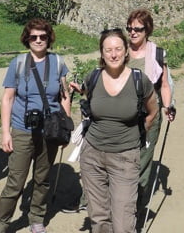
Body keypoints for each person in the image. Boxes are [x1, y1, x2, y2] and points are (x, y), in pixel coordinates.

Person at [71, 28, 159, 233]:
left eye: (118, 49)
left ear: (126, 51)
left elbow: (152, 112)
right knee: (99, 217)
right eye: (108, 49)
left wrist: (135, 136)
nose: (113, 54)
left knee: (123, 222)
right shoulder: (92, 77)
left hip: (125, 157)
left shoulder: (139, 81)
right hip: (92, 156)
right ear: (101, 53)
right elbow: (88, 97)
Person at [0, 18, 72, 233]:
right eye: (33, 37)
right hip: (22, 129)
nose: (38, 40)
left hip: (50, 130)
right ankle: (0, 222)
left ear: (49, 38)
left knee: (42, 178)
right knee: (16, 181)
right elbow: (7, 98)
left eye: (43, 36)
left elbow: (65, 96)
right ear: (27, 39)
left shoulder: (58, 63)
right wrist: (6, 132)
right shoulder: (17, 63)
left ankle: (36, 217)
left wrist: (65, 125)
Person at [125, 9, 175, 211]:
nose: (133, 33)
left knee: (143, 160)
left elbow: (164, 85)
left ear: (147, 30)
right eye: (129, 28)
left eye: (138, 29)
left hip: (149, 116)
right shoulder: (121, 51)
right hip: (123, 116)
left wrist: (168, 105)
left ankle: (134, 206)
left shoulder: (157, 54)